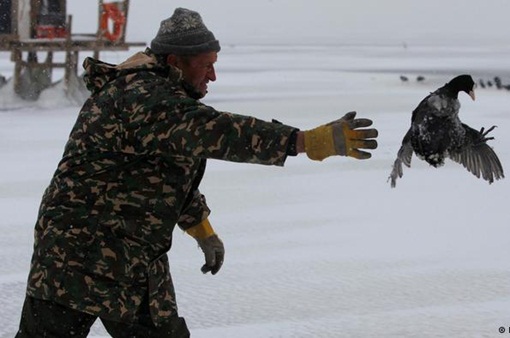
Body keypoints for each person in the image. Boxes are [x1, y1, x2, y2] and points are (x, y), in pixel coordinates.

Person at [15, 7, 378, 338]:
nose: (213, 75)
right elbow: (214, 131)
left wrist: (202, 229)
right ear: (176, 61)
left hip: (132, 258)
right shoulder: (142, 97)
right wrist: (301, 141)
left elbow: (167, 173)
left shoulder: (164, 100)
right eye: (206, 65)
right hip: (73, 255)